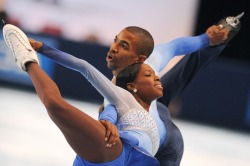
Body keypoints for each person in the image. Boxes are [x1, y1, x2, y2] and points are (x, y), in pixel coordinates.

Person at [28, 21, 233, 166]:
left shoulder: (140, 74)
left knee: (169, 82)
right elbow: (109, 107)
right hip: (153, 108)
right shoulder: (119, 89)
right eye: (116, 40)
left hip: (168, 140)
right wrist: (205, 39)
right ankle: (215, 44)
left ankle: (215, 44)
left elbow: (176, 46)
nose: (113, 48)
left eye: (123, 46)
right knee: (162, 88)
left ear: (140, 58)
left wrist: (206, 39)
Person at [3, 24, 169, 165]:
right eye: (149, 75)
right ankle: (28, 60)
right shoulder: (124, 97)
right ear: (132, 86)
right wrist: (42, 48)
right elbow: (87, 71)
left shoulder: (152, 116)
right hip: (112, 151)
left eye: (155, 75)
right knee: (55, 104)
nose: (157, 78)